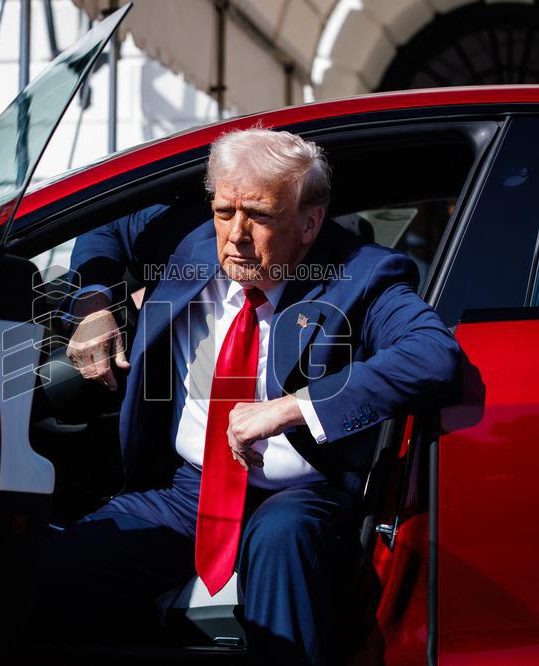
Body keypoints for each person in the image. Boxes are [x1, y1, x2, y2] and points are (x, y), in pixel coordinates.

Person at [38, 128, 460, 665]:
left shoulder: (363, 274)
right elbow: (105, 219)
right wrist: (93, 303)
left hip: (300, 493)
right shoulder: (192, 239)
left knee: (281, 540)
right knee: (46, 581)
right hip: (189, 489)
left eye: (258, 216)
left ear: (309, 223)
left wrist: (290, 409)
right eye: (223, 211)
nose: (235, 235)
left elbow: (432, 356)